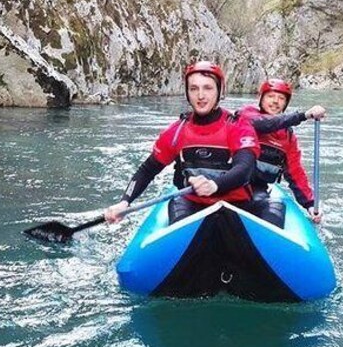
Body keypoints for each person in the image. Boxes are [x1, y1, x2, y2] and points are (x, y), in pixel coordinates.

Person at [105, 61, 260, 225]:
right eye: (194, 89)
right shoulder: (176, 132)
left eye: (208, 88)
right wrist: (125, 201)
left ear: (219, 91)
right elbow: (147, 170)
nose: (200, 96)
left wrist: (214, 185)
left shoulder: (238, 126)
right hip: (193, 204)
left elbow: (245, 169)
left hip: (234, 206)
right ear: (187, 92)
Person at [238, 78, 326, 226]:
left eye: (281, 98)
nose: (275, 102)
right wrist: (304, 115)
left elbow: (295, 173)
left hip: (257, 190)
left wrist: (310, 204)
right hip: (229, 185)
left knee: (271, 210)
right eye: (270, 96)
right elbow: (265, 124)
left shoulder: (288, 137)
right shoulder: (246, 115)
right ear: (261, 99)